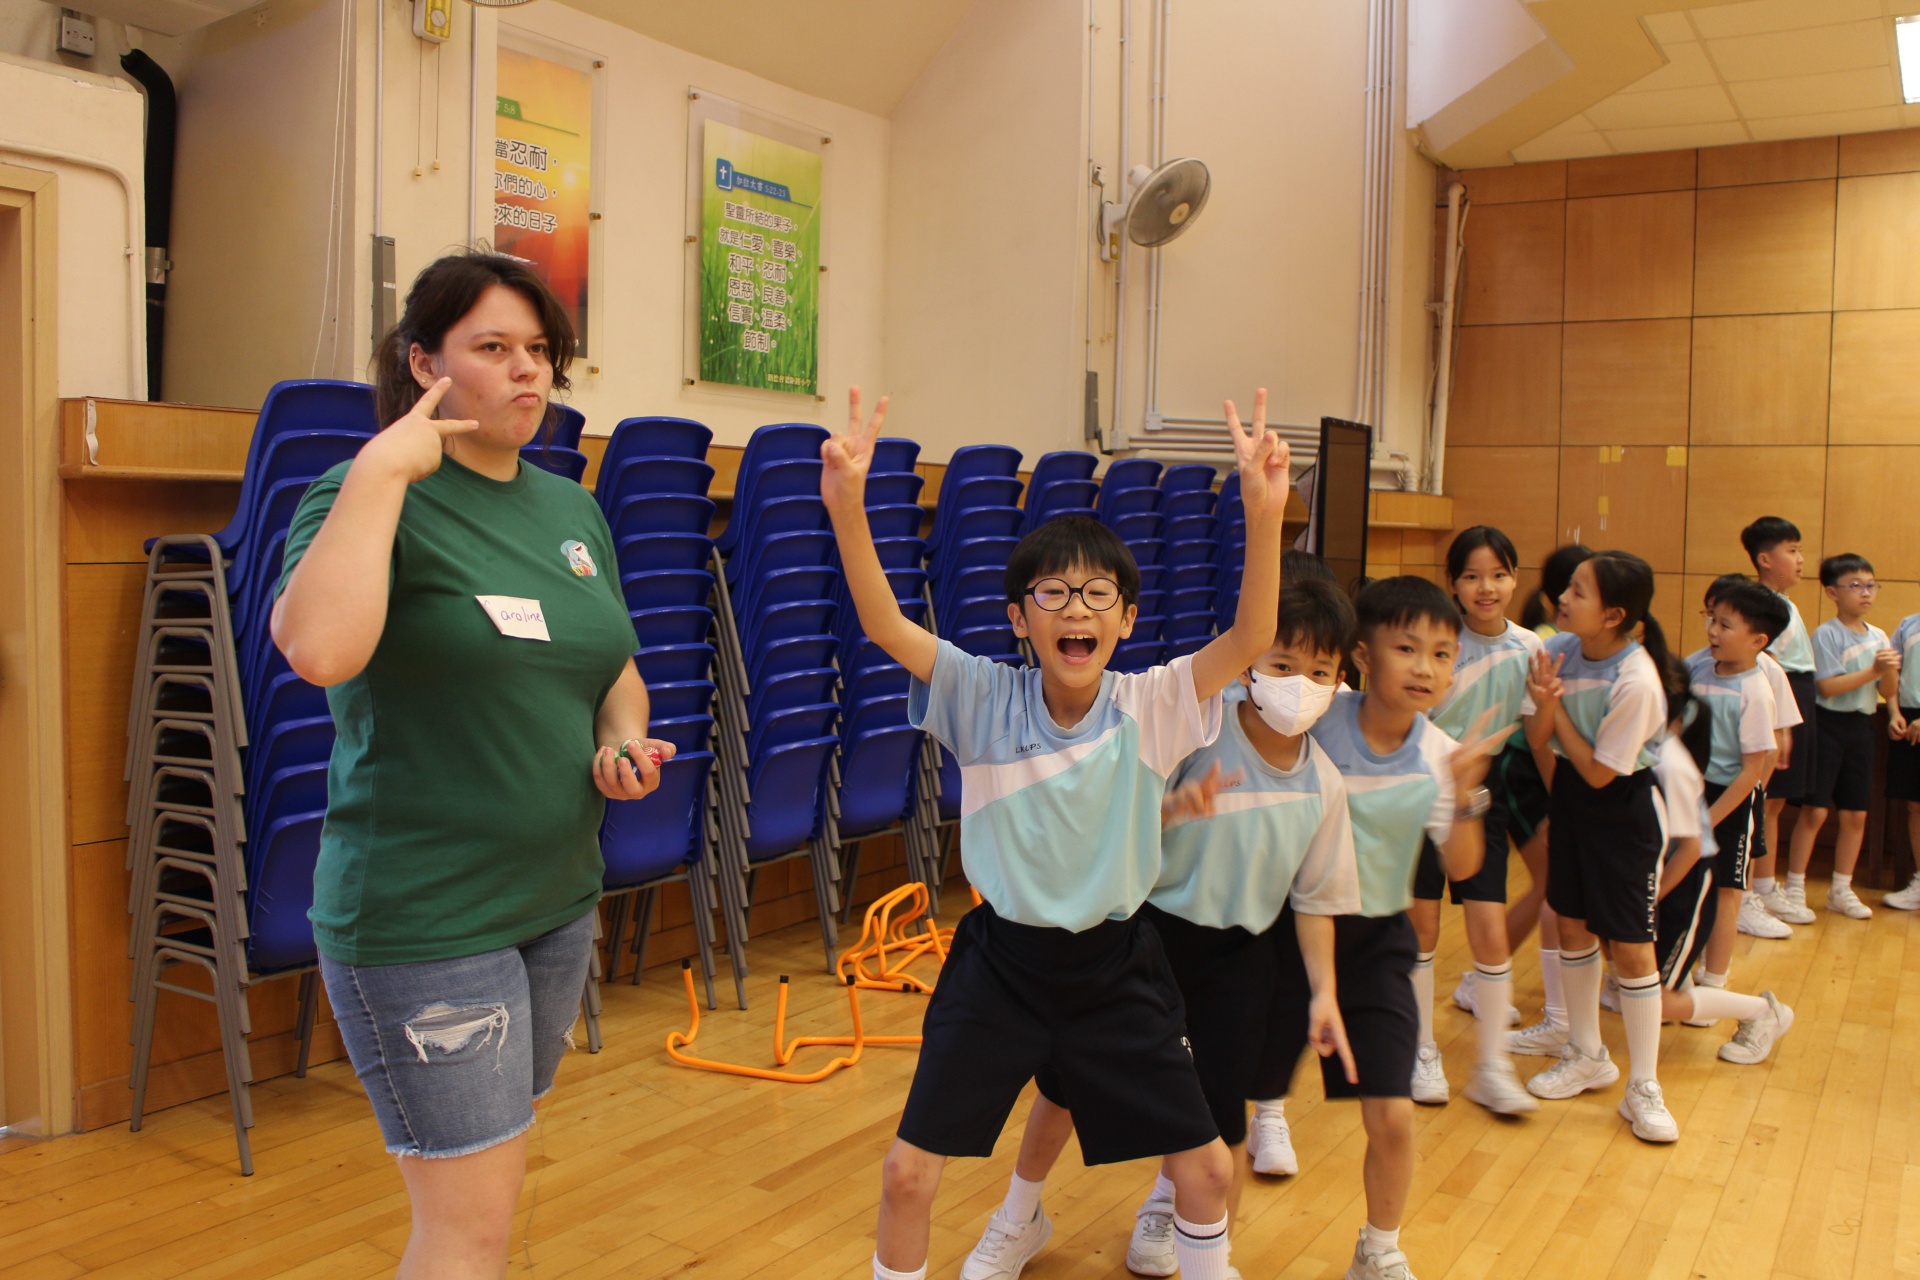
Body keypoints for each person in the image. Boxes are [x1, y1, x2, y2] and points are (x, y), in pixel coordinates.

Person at [825, 388, 1293, 1280]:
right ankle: (1006, 1224)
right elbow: (884, 624)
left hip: (1116, 969)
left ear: (1126, 619)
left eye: (1097, 594)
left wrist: (1263, 515)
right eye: (1052, 593)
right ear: (1019, 618)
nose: (1075, 609)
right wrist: (849, 506)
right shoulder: (981, 695)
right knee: (906, 1175)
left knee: (1205, 1171)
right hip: (999, 968)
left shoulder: (1152, 704)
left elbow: (1251, 637)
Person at [272, 250, 674, 1278]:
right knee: (469, 1227)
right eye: (493, 347)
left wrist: (620, 737)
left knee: (489, 1190)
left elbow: (613, 670)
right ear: (425, 363)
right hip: (427, 917)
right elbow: (317, 650)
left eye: (538, 349)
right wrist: (383, 470)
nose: (526, 370)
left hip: (553, 901)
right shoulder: (364, 490)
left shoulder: (571, 510)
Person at [976, 579, 1362, 1279]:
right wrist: (1174, 807)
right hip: (1145, 935)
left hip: (1239, 960)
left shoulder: (1324, 785)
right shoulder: (1197, 732)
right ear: (1248, 666)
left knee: (1217, 1119)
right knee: (1063, 1085)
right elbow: (1115, 815)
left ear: (1341, 681)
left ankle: (1185, 1224)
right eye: (1281, 665)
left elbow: (1316, 901)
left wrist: (1327, 993)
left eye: (1318, 671)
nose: (1298, 685)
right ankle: (1018, 1214)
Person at [1296, 575, 1500, 1280]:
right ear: (1362, 655)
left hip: (1377, 942)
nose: (1425, 668)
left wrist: (1466, 794)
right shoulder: (1318, 721)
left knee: (1393, 1114)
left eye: (1442, 654)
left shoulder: (1441, 755)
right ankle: (1179, 1197)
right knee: (1224, 1090)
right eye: (1407, 648)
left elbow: (1463, 865)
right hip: (1283, 931)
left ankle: (1379, 1249)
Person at [1521, 551, 1677, 1142]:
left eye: (1579, 591)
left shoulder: (1637, 680)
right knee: (1572, 927)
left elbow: (1600, 773)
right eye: (1568, 587)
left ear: (1613, 615)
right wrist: (1546, 707)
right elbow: (1537, 737)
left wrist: (1556, 709)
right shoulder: (1559, 650)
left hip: (1623, 809)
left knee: (1633, 950)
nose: (1563, 597)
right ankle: (1586, 1054)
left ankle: (1645, 1085)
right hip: (1572, 800)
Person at [1408, 527, 1541, 1115]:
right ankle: (1421, 1051)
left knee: (1489, 929)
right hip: (1420, 792)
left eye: (1498, 575)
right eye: (1471, 576)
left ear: (1514, 579)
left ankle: (1492, 1066)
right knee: (1422, 928)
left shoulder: (1530, 647)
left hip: (1481, 794)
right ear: (1453, 583)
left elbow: (1534, 729)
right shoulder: (1438, 642)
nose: (1486, 587)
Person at [1648, 661, 1796, 1061]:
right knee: (1638, 990)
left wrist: (1652, 894)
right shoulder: (1653, 752)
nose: (1714, 632)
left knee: (1651, 1000)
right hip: (1667, 870)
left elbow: (1757, 767)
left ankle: (1753, 1006)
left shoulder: (1674, 764)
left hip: (1688, 877)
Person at [1505, 542, 1591, 1057]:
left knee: (1555, 888)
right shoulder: (1547, 643)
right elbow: (1539, 738)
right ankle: (1485, 976)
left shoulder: (1576, 643)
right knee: (1550, 886)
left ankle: (1489, 975)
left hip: (1554, 774)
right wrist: (1562, 797)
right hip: (1529, 772)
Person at [1683, 578, 1787, 989]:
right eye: (1712, 619)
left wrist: (1708, 820)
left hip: (1731, 801)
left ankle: (1715, 980)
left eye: (1725, 625)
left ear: (1757, 641)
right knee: (1689, 885)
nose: (1712, 630)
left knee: (1726, 891)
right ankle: (1681, 970)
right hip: (1691, 793)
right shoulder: (1697, 670)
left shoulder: (1756, 691)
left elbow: (1751, 771)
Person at [1784, 554, 1900, 919]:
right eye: (1856, 586)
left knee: (1855, 815)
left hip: (1862, 729)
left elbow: (1887, 689)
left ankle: (1841, 888)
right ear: (1833, 592)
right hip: (1827, 727)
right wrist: (1874, 670)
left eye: (1871, 585)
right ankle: (1795, 886)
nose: (1866, 593)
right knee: (1815, 811)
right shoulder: (1827, 634)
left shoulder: (1879, 636)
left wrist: (1889, 678)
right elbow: (1828, 687)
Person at [1739, 517, 1820, 927]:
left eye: (1800, 549)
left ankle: (1765, 887)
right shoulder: (1764, 607)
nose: (1801, 559)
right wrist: (1781, 725)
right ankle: (1752, 891)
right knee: (1765, 801)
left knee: (1776, 801)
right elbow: (1766, 666)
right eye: (1792, 550)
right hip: (1782, 699)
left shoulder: (1785, 603)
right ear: (1765, 559)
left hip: (1799, 694)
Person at [1885, 607, 1920, 910]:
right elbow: (1891, 672)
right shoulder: (1908, 625)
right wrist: (1894, 712)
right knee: (1915, 804)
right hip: (1910, 718)